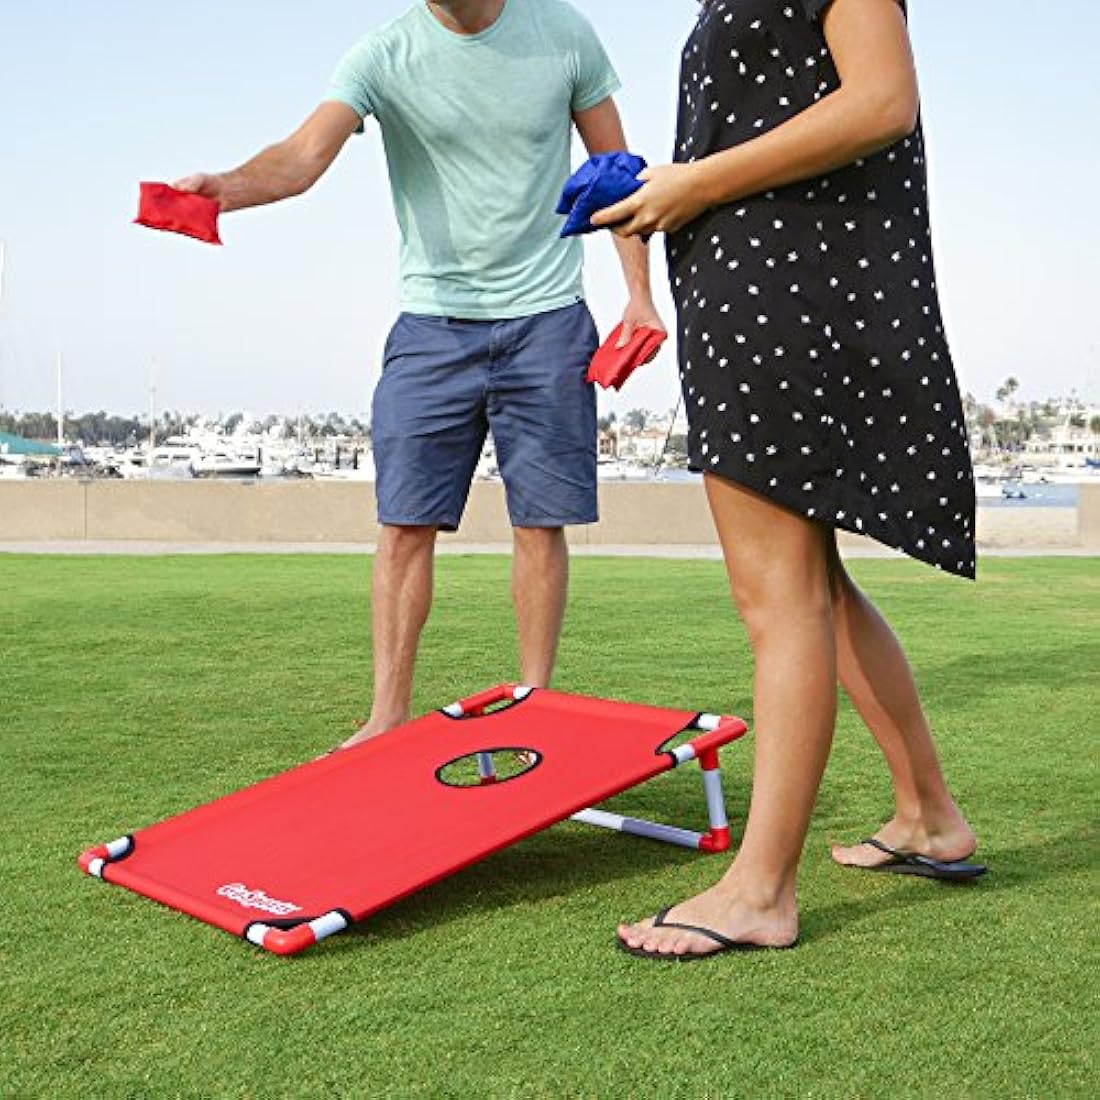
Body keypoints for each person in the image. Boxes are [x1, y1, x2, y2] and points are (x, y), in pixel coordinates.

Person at [595, 0, 984, 959]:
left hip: (786, 287)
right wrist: (661, 186)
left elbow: (883, 101)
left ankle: (761, 890)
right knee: (816, 587)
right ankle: (929, 816)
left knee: (778, 597)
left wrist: (693, 184)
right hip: (765, 281)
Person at [174, 0, 664, 746]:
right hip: (432, 326)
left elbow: (614, 177)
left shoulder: (562, 34)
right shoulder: (382, 55)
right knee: (403, 524)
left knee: (539, 523)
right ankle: (387, 715)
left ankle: (534, 702)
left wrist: (638, 294)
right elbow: (304, 157)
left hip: (547, 317)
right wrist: (228, 189)